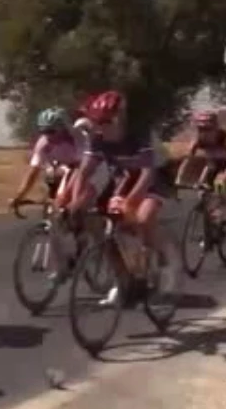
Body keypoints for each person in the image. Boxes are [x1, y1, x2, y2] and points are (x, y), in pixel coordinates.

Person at [69, 90, 175, 301]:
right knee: (95, 220)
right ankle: (123, 276)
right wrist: (74, 202)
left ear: (119, 118)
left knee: (143, 218)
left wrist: (129, 203)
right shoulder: (98, 138)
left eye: (106, 122)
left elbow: (147, 175)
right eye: (97, 122)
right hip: (125, 176)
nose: (101, 128)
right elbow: (84, 172)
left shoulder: (140, 134)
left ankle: (158, 261)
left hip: (155, 175)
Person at [175, 110, 226, 194]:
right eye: (201, 129)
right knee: (202, 193)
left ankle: (223, 202)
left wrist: (222, 179)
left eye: (208, 129)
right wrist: (179, 179)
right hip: (212, 167)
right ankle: (211, 202)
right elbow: (187, 160)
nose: (204, 133)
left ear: (215, 127)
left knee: (218, 188)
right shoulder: (198, 139)